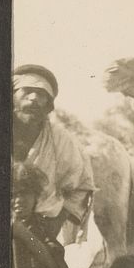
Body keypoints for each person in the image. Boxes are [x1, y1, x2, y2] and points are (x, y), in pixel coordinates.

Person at [12, 64, 95, 240]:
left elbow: (82, 185)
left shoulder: (61, 140)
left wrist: (56, 222)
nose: (33, 98)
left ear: (49, 105)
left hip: (41, 229)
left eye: (41, 94)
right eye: (26, 91)